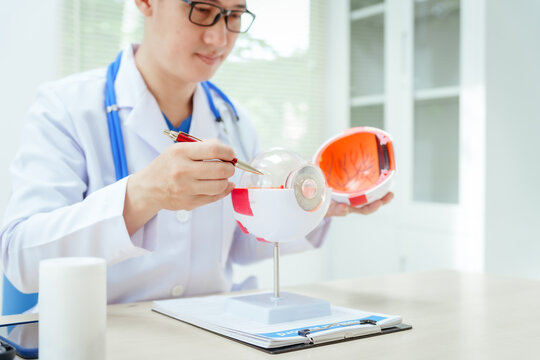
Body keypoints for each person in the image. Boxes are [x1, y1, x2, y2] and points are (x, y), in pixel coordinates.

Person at [0, 0, 393, 306]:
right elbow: (21, 259)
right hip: (108, 339)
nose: (220, 39)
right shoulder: (66, 109)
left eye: (234, 16)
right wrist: (144, 194)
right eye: (202, 10)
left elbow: (243, 241)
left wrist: (319, 202)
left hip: (211, 333)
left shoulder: (233, 121)